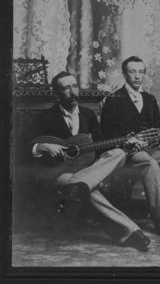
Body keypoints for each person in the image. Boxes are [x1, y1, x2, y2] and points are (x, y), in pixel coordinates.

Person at [29, 71, 150, 252]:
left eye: (75, 86)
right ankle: (131, 232)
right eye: (66, 88)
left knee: (118, 152)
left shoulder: (88, 115)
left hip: (89, 169)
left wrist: (126, 142)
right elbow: (23, 144)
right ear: (57, 94)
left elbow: (102, 146)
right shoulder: (45, 117)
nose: (73, 91)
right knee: (87, 190)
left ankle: (81, 184)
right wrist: (41, 146)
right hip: (61, 173)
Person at [100, 56, 160, 233]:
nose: (137, 76)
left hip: (152, 148)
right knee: (150, 164)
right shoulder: (113, 99)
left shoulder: (149, 99)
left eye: (141, 72)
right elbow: (106, 132)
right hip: (129, 152)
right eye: (132, 72)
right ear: (124, 74)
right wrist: (129, 140)